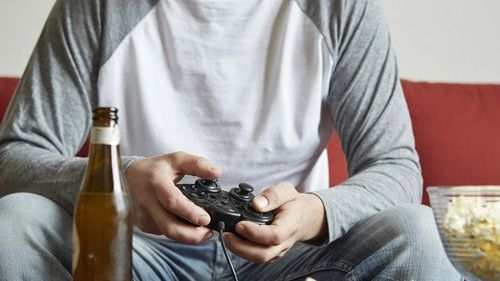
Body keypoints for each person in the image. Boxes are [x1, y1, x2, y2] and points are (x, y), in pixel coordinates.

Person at [0, 0, 461, 280]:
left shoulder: (341, 7)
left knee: (415, 233)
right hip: (135, 252)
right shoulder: (96, 6)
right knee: (14, 223)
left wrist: (312, 215)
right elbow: (15, 157)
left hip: (293, 258)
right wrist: (122, 179)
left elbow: (396, 167)